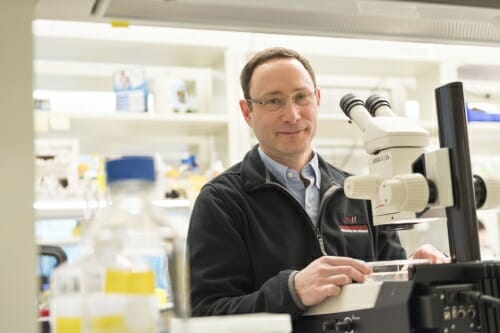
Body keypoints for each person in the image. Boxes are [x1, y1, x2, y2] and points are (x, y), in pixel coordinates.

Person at [187, 47, 447, 319]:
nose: (292, 115)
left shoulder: (360, 191)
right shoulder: (222, 201)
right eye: (273, 101)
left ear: (317, 99)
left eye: (301, 97)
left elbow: (388, 289)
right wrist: (291, 291)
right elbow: (206, 314)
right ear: (247, 112)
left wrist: (413, 269)